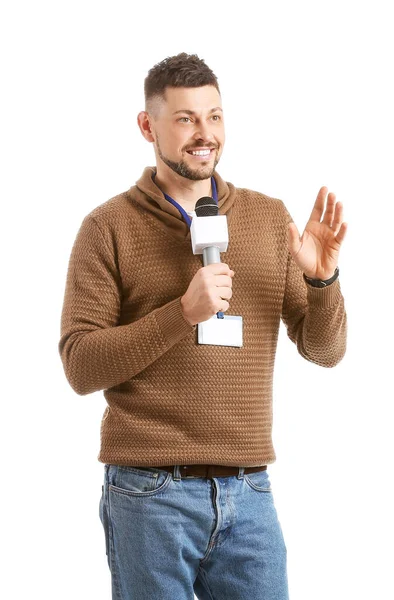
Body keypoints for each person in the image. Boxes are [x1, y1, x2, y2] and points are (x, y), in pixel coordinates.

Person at [58, 52, 347, 600]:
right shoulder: (107, 227)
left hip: (249, 490)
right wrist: (180, 314)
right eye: (186, 118)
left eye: (214, 116)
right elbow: (80, 364)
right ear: (149, 126)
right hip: (149, 493)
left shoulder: (267, 217)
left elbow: (325, 350)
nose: (204, 134)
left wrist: (322, 282)